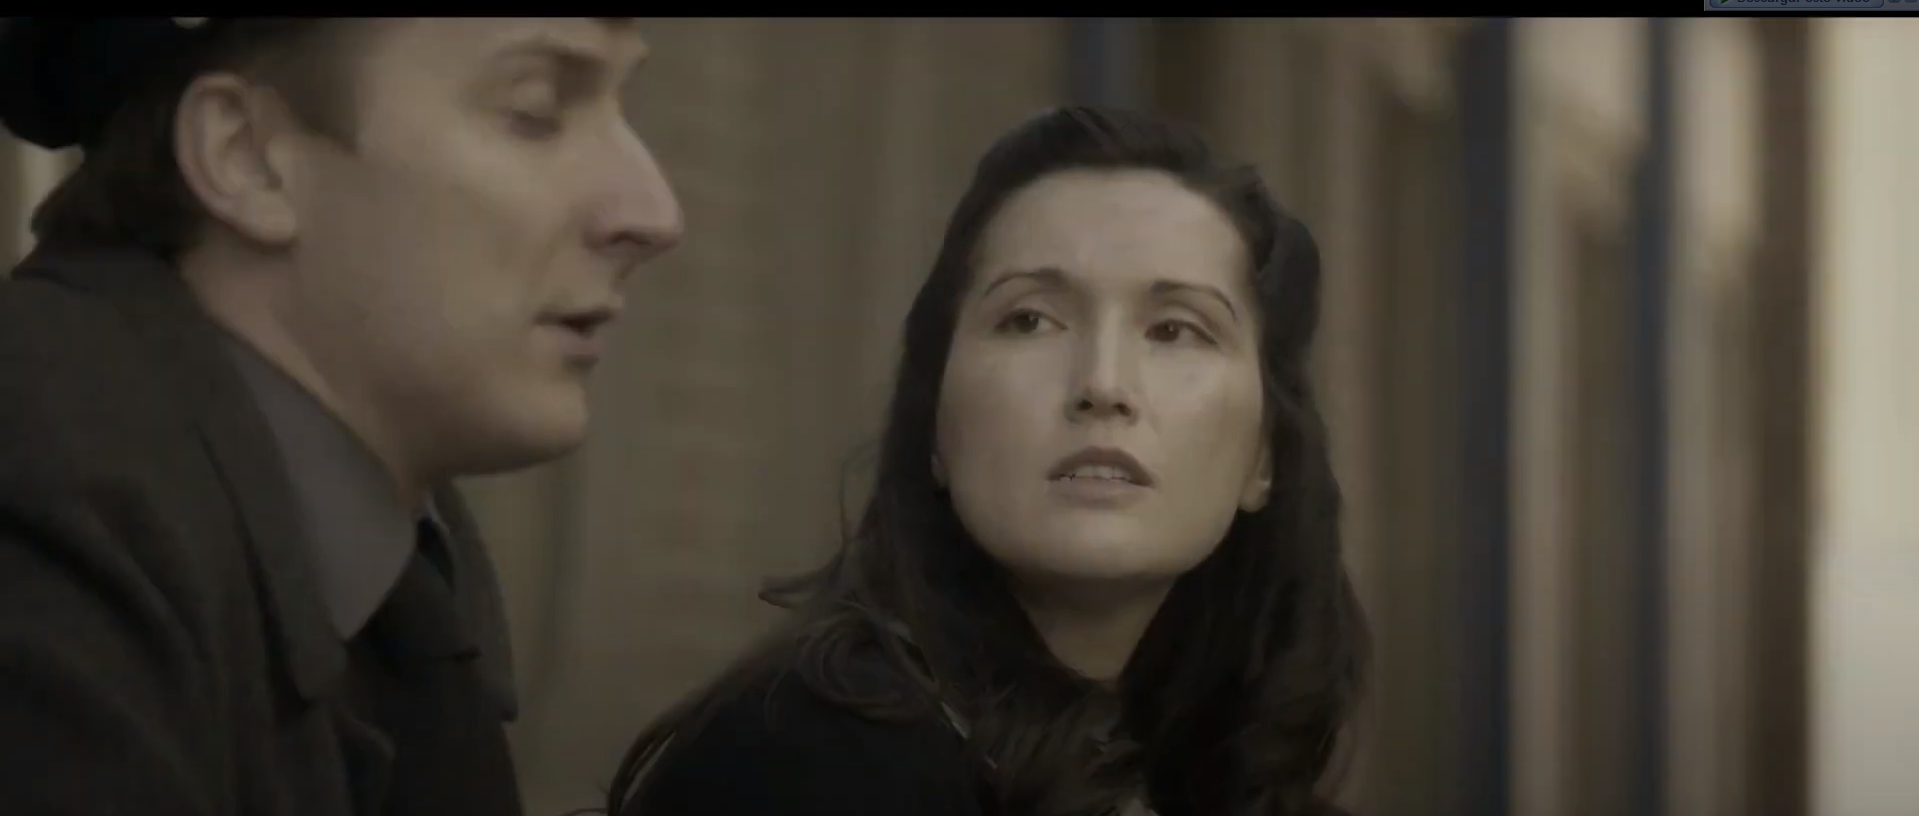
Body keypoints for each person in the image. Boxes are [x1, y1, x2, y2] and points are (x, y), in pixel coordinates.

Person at [0, 17, 681, 816]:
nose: (653, 214)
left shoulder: (393, 575)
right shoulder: (45, 482)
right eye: (534, 112)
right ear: (247, 158)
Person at [604, 106, 1367, 816]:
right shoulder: (810, 757)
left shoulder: (1206, 769)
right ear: (935, 426)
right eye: (1029, 320)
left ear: (1263, 457)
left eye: (1174, 330)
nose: (1102, 384)